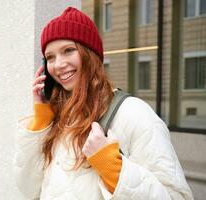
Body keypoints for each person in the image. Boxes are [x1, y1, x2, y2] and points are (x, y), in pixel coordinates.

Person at [13, 7, 193, 200]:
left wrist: (112, 167)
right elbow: (27, 189)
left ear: (90, 55)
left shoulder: (133, 113)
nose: (58, 64)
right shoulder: (58, 118)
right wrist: (41, 121)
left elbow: (176, 197)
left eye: (68, 50)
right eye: (50, 57)